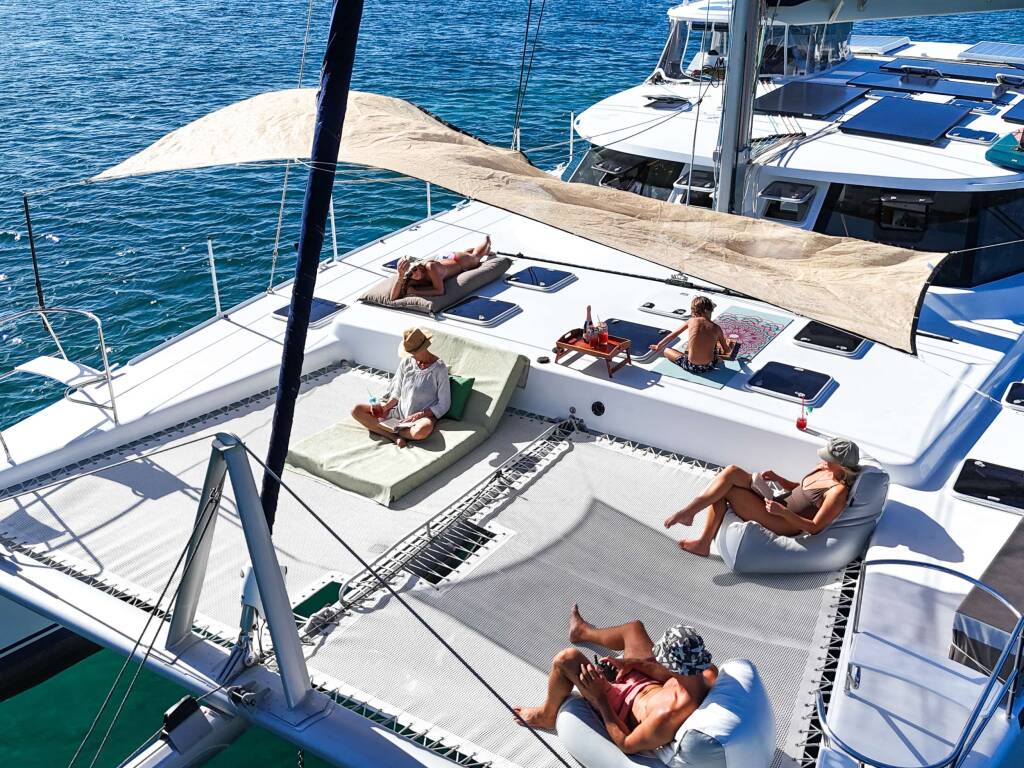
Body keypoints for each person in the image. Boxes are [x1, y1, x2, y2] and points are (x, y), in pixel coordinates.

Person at [514, 605, 717, 756]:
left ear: (674, 667)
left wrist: (600, 697)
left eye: (662, 659)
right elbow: (667, 675)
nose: (658, 659)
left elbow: (626, 744)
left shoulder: (667, 715)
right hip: (648, 683)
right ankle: (581, 631)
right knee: (634, 629)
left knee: (566, 659)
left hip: (620, 705)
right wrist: (632, 664)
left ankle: (547, 715)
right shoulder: (707, 671)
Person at [665, 437, 862, 556]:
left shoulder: (837, 492)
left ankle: (702, 540)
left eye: (828, 458)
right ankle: (689, 513)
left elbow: (815, 527)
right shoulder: (822, 468)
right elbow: (801, 489)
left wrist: (783, 512)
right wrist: (778, 479)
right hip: (775, 503)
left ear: (842, 466)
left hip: (783, 522)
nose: (822, 459)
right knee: (732, 472)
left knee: (727, 489)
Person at [350, 328, 451, 448]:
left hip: (420, 418)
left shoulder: (439, 369)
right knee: (356, 410)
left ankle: (389, 429)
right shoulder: (406, 362)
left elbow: (444, 404)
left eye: (414, 352)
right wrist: (385, 407)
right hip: (398, 412)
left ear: (423, 348)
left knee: (422, 430)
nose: (411, 355)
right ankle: (394, 436)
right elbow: (397, 392)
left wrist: (418, 415)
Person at [649, 295, 736, 374]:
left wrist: (658, 346)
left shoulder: (691, 321)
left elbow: (672, 335)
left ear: (694, 311)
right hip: (710, 366)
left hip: (691, 366)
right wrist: (727, 346)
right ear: (710, 310)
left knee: (666, 350)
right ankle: (716, 359)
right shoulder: (717, 328)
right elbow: (727, 351)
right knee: (713, 346)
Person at [389, 236, 494, 300]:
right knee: (469, 254)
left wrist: (416, 292)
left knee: (476, 257)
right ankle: (467, 252)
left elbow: (440, 291)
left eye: (414, 269)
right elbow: (393, 297)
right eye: (410, 273)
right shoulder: (411, 278)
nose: (414, 274)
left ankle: (486, 241)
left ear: (418, 266)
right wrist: (400, 276)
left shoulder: (430, 267)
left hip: (457, 261)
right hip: (443, 260)